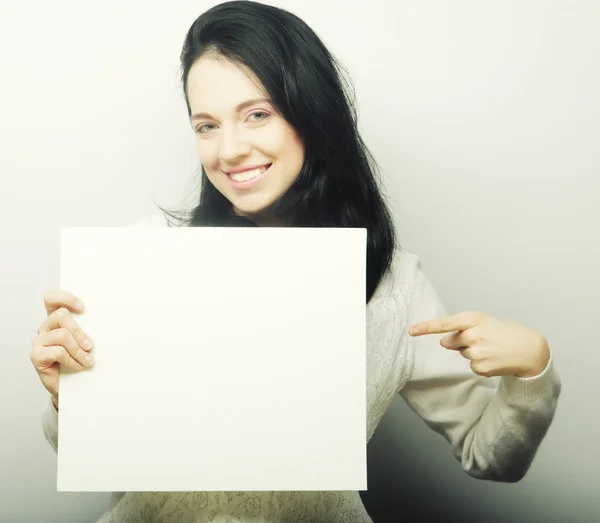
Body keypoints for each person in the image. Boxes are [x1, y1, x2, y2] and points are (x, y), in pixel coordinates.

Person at [30, 1, 562, 522]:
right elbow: (87, 451)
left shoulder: (394, 285)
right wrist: (67, 394)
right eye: (206, 126)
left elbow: (492, 457)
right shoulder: (141, 258)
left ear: (312, 112)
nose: (229, 149)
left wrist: (531, 371)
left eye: (257, 114)